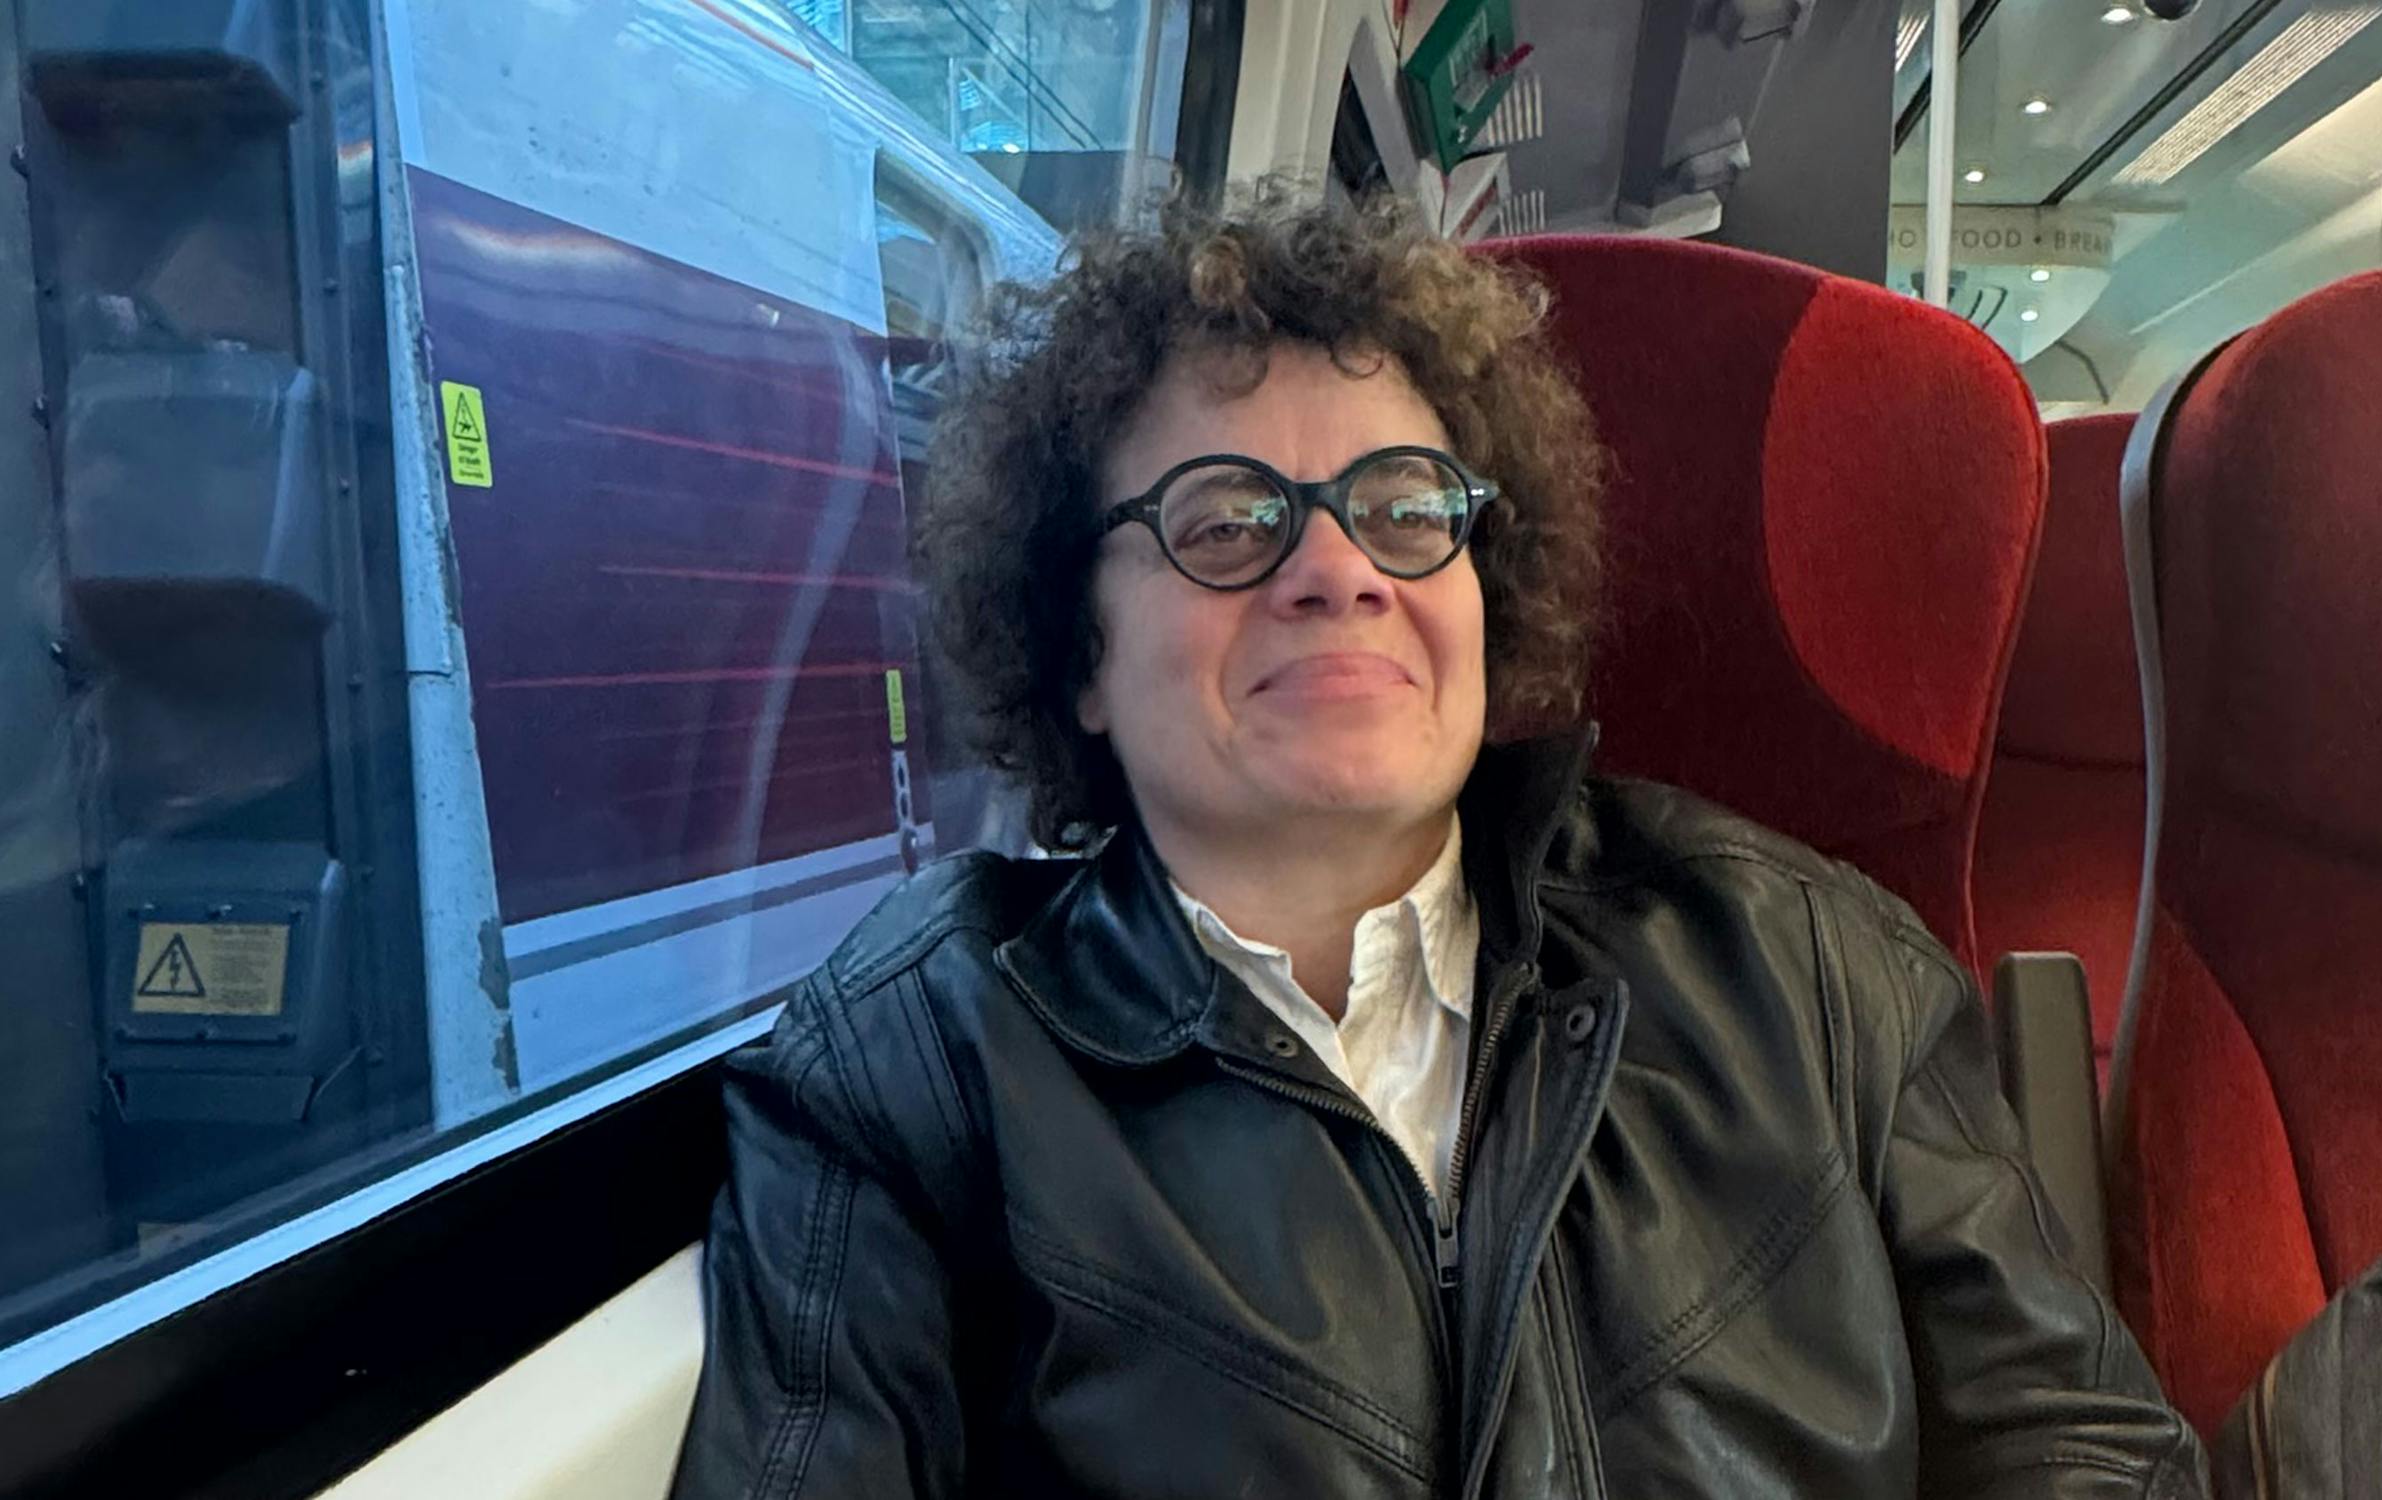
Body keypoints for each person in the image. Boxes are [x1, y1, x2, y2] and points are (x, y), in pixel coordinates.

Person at [671, 190, 2206, 1499]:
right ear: (1076, 642)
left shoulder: (1811, 962)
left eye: (1404, 510)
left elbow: (2083, 1451)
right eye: (1227, 520)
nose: (1337, 570)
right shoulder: (917, 1056)